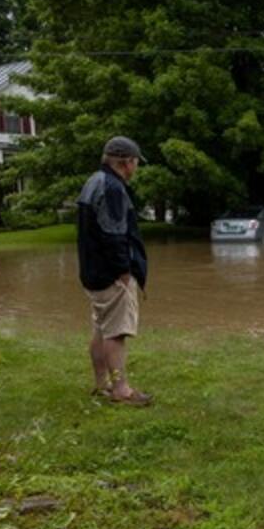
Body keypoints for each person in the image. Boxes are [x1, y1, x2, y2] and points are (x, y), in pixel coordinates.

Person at [77, 136, 151, 406]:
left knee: (101, 330)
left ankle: (101, 385)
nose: (136, 168)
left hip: (92, 272)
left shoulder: (94, 181)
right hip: (110, 275)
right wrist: (124, 272)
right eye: (135, 163)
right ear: (126, 162)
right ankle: (121, 390)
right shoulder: (112, 188)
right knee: (116, 333)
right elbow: (114, 235)